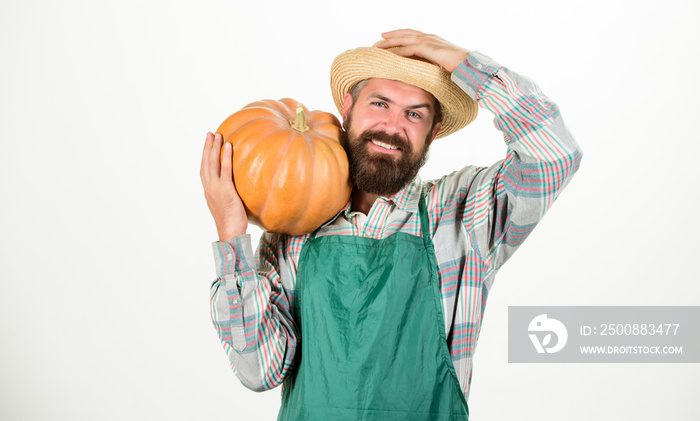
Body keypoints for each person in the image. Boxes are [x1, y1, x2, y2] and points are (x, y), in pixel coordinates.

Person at [200, 29, 582, 420]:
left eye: (414, 113)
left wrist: (462, 61)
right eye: (380, 103)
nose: (392, 126)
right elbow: (258, 371)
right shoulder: (294, 229)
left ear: (433, 133)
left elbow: (554, 155)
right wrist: (232, 235)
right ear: (347, 108)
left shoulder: (465, 213)